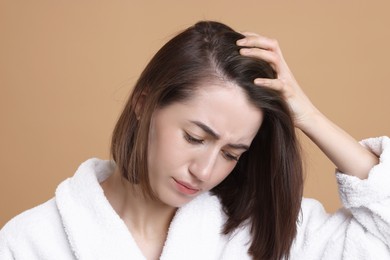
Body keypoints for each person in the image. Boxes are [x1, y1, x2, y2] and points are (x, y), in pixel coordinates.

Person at [0, 21, 389, 260]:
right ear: (143, 103)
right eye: (194, 137)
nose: (204, 171)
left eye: (232, 154)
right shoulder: (29, 242)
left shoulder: (263, 232)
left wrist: (309, 117)